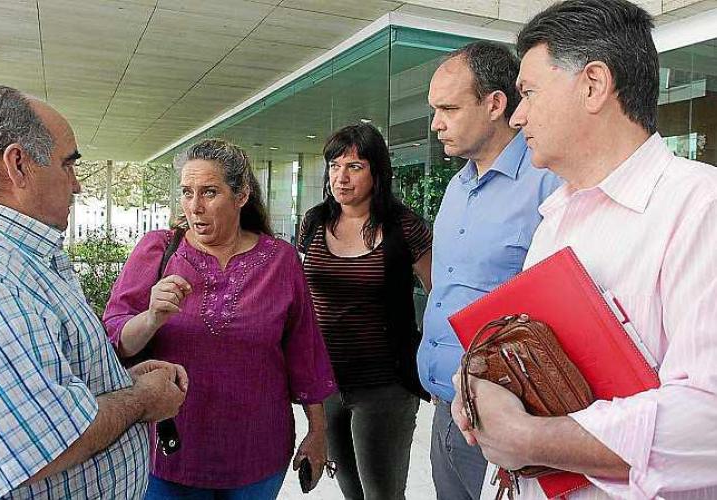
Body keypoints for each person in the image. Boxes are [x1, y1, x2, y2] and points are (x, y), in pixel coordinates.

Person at [451, 0, 717, 498]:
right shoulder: (557, 215)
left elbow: (708, 418)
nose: (517, 117)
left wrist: (533, 440)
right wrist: (479, 387)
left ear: (593, 85)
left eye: (529, 93)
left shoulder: (701, 207)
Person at [103, 138, 336, 499]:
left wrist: (318, 432)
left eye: (209, 192)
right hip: (170, 450)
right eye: (187, 192)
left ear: (241, 195)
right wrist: (151, 317)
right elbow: (115, 341)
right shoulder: (158, 250)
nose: (194, 207)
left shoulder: (281, 260)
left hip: (257, 452)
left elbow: (305, 351)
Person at [0, 85, 187, 499]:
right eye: (68, 165)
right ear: (18, 165)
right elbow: (41, 444)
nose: (77, 185)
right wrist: (141, 400)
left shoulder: (24, 259)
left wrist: (119, 381)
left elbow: (41, 388)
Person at [418, 41, 561, 499]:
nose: (436, 123)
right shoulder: (457, 187)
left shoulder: (549, 184)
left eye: (449, 109)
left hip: (505, 418)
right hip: (444, 408)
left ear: (496, 104)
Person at [298, 123, 432, 500]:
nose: (341, 178)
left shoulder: (404, 226)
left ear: (377, 172)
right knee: (350, 492)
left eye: (354, 167)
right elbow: (302, 297)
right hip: (328, 381)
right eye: (334, 166)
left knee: (382, 495)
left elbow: (439, 294)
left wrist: (434, 361)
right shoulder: (314, 221)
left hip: (385, 384)